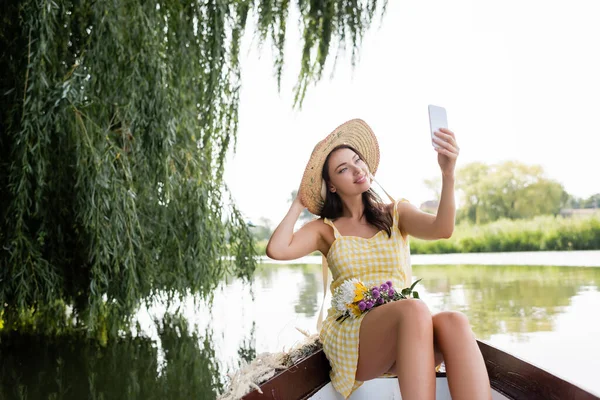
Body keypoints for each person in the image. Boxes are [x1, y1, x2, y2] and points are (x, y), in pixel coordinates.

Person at [266, 119, 491, 400]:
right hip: (355, 336)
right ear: (331, 186)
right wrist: (300, 200)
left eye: (357, 160)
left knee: (454, 321)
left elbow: (442, 229)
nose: (357, 169)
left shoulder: (396, 213)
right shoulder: (325, 230)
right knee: (414, 309)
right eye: (343, 169)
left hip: (406, 330)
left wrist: (448, 174)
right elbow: (276, 250)